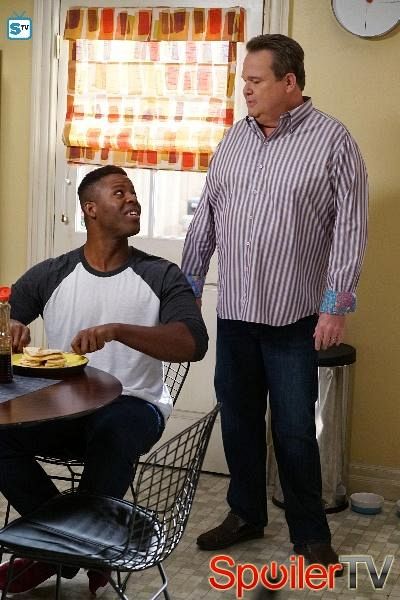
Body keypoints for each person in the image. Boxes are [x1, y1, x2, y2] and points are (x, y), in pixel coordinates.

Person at [181, 34, 368, 571]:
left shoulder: (333, 141)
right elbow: (208, 215)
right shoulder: (233, 140)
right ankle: (246, 514)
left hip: (294, 318)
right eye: (244, 80)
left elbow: (351, 230)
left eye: (255, 80)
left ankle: (310, 535)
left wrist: (335, 307)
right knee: (239, 421)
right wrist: (188, 289)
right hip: (236, 311)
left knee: (293, 430)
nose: (246, 90)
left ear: (289, 82)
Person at [0, 165, 208, 594]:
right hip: (64, 409)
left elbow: (193, 342)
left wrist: (117, 330)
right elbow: (7, 315)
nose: (133, 200)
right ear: (90, 209)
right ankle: (80, 548)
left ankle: (48, 553)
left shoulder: (161, 274)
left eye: (133, 193)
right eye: (120, 192)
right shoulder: (53, 273)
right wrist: (11, 327)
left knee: (112, 428)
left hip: (134, 405)